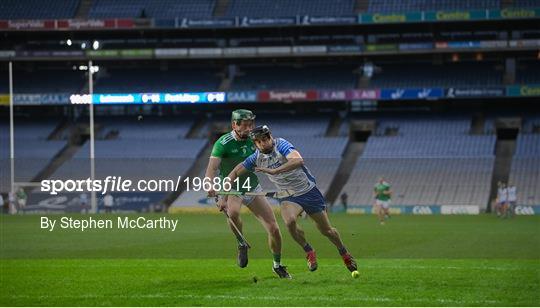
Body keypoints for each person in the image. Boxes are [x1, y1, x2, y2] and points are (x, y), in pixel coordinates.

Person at [227, 125, 358, 274]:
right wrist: (226, 185)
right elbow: (237, 171)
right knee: (289, 222)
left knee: (327, 231)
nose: (264, 143)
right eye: (259, 141)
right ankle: (309, 251)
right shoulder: (256, 158)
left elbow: (298, 160)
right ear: (255, 144)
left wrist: (275, 170)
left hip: (308, 192)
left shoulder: (281, 144)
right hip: (288, 195)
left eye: (266, 139)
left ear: (270, 137)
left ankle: (344, 253)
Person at [204, 110, 289, 278]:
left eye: (251, 124)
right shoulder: (223, 143)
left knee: (274, 229)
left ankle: (277, 265)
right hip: (231, 188)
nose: (250, 128)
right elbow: (211, 169)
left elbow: (270, 153)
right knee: (233, 213)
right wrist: (212, 189)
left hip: (252, 187)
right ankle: (241, 243)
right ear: (234, 125)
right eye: (246, 125)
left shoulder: (254, 139)